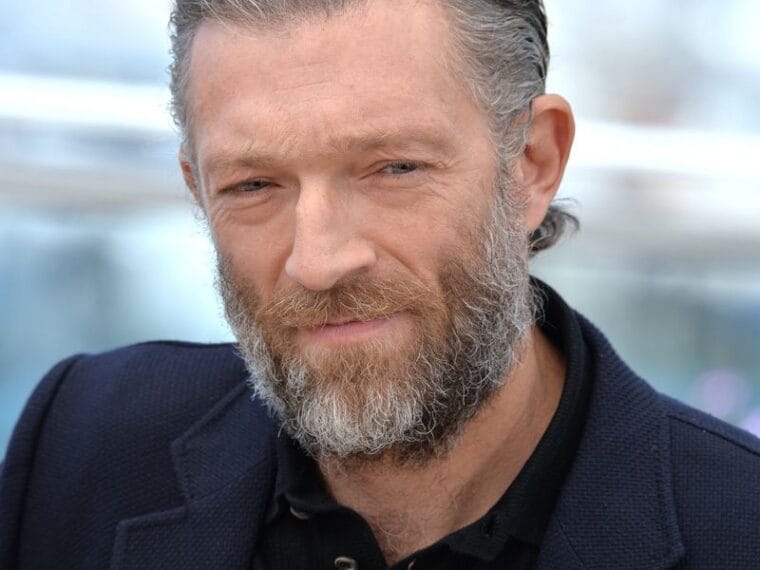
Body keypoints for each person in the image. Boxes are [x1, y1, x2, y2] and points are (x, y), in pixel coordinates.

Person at [1, 0, 759, 568]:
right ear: (197, 189)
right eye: (254, 185)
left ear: (532, 165)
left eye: (394, 168)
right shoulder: (83, 446)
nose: (319, 261)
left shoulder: (738, 526)